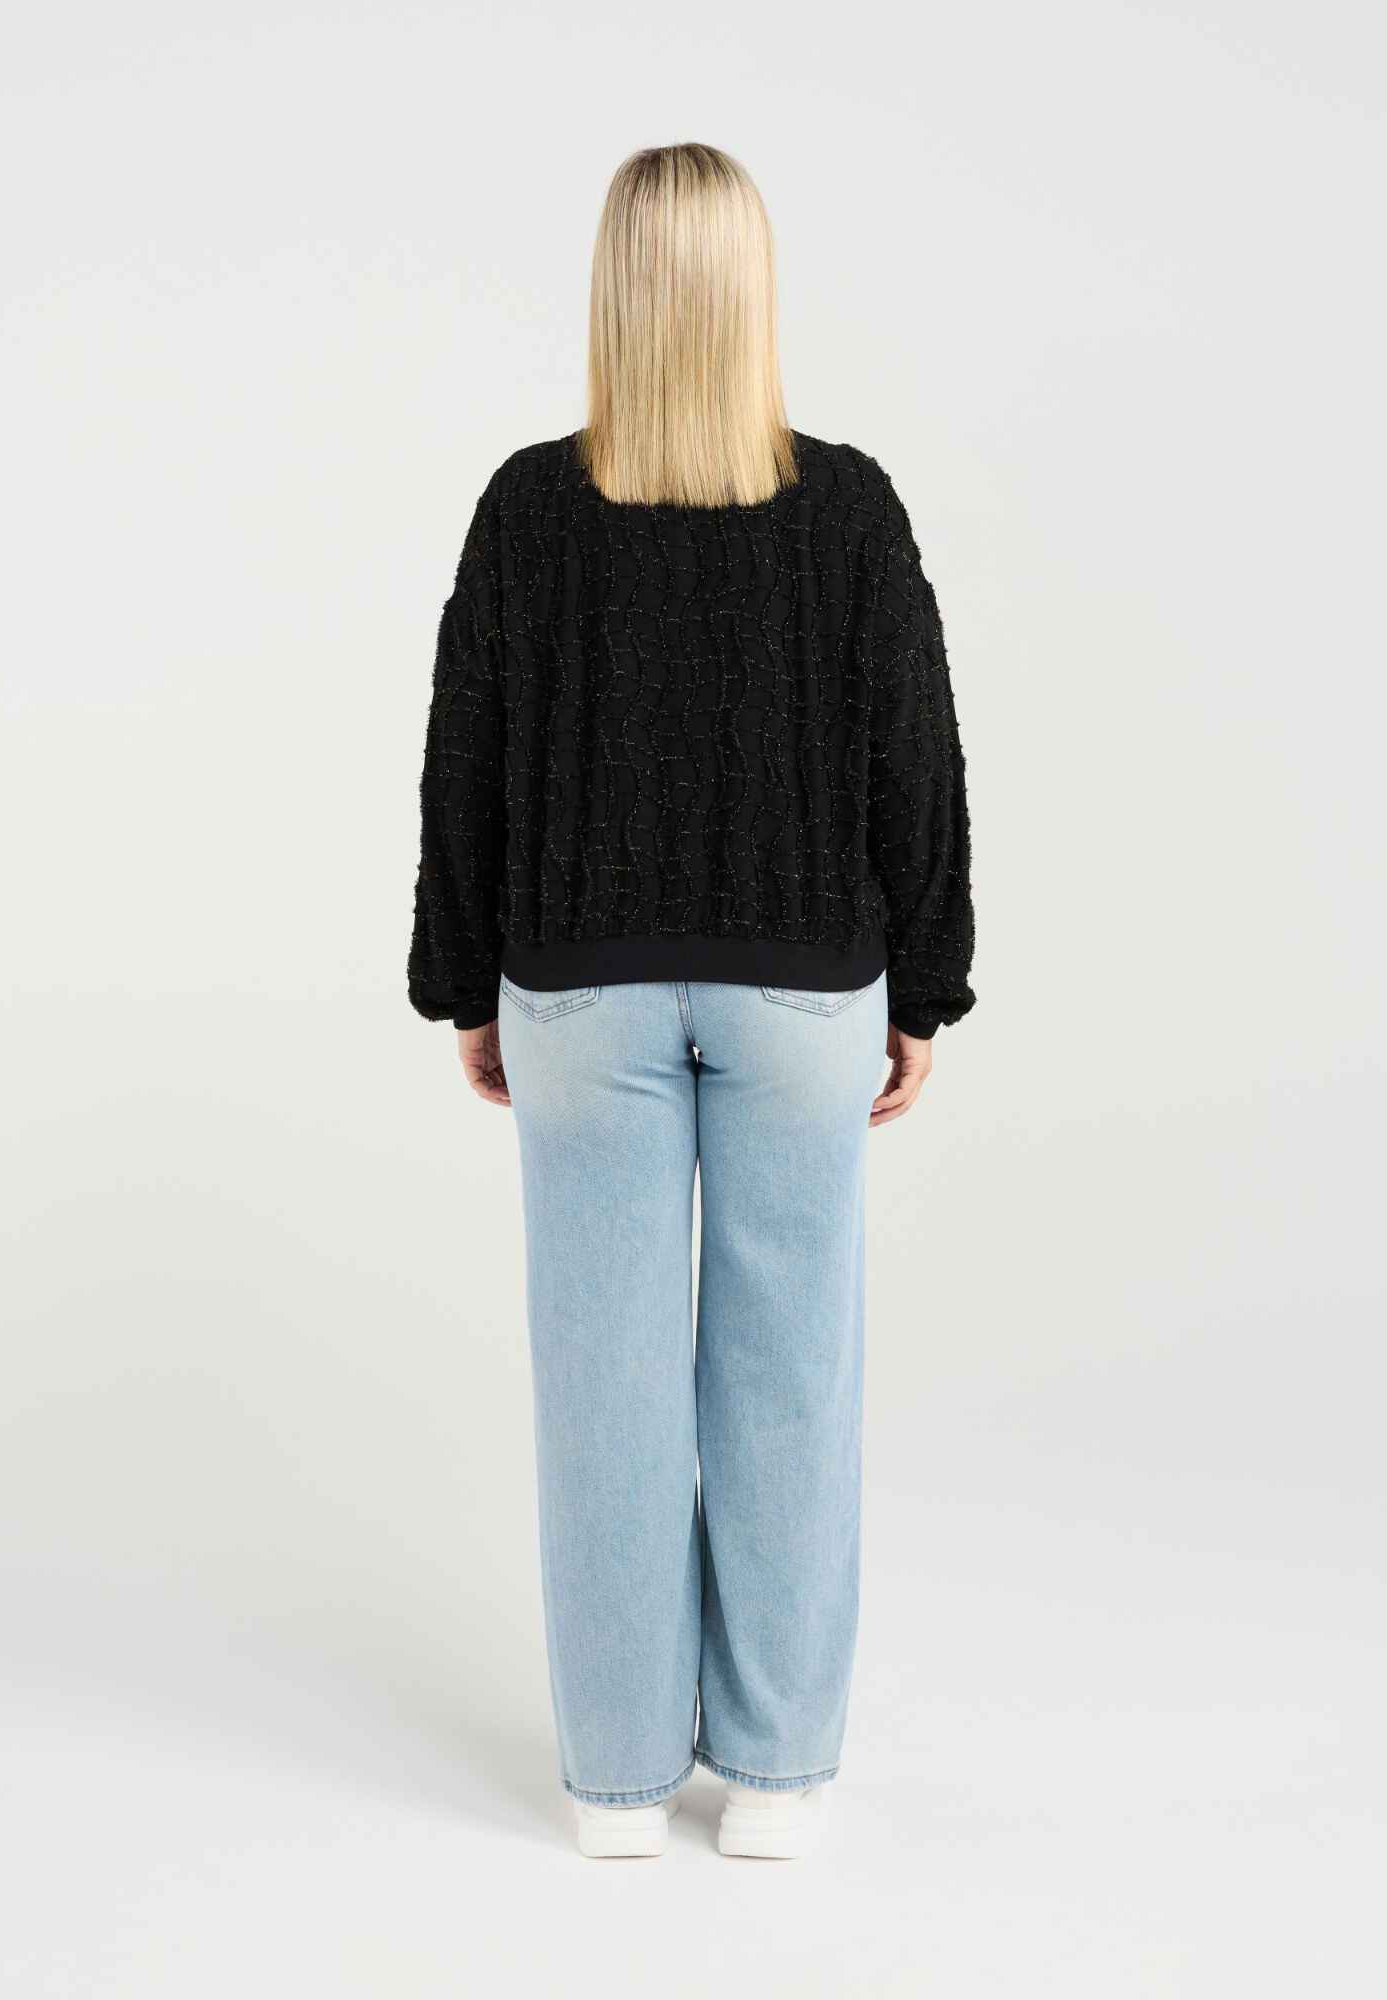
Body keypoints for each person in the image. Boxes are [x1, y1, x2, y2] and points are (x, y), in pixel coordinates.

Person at [407, 142, 975, 1859]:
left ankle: (616, 1787)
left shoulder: (527, 509)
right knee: (790, 1378)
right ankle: (781, 1779)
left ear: (613, 294)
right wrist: (927, 983)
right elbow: (917, 762)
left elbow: (466, 763)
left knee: (607, 1390)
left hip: (578, 993)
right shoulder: (849, 510)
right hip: (805, 997)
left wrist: (463, 982)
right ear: (755, 294)